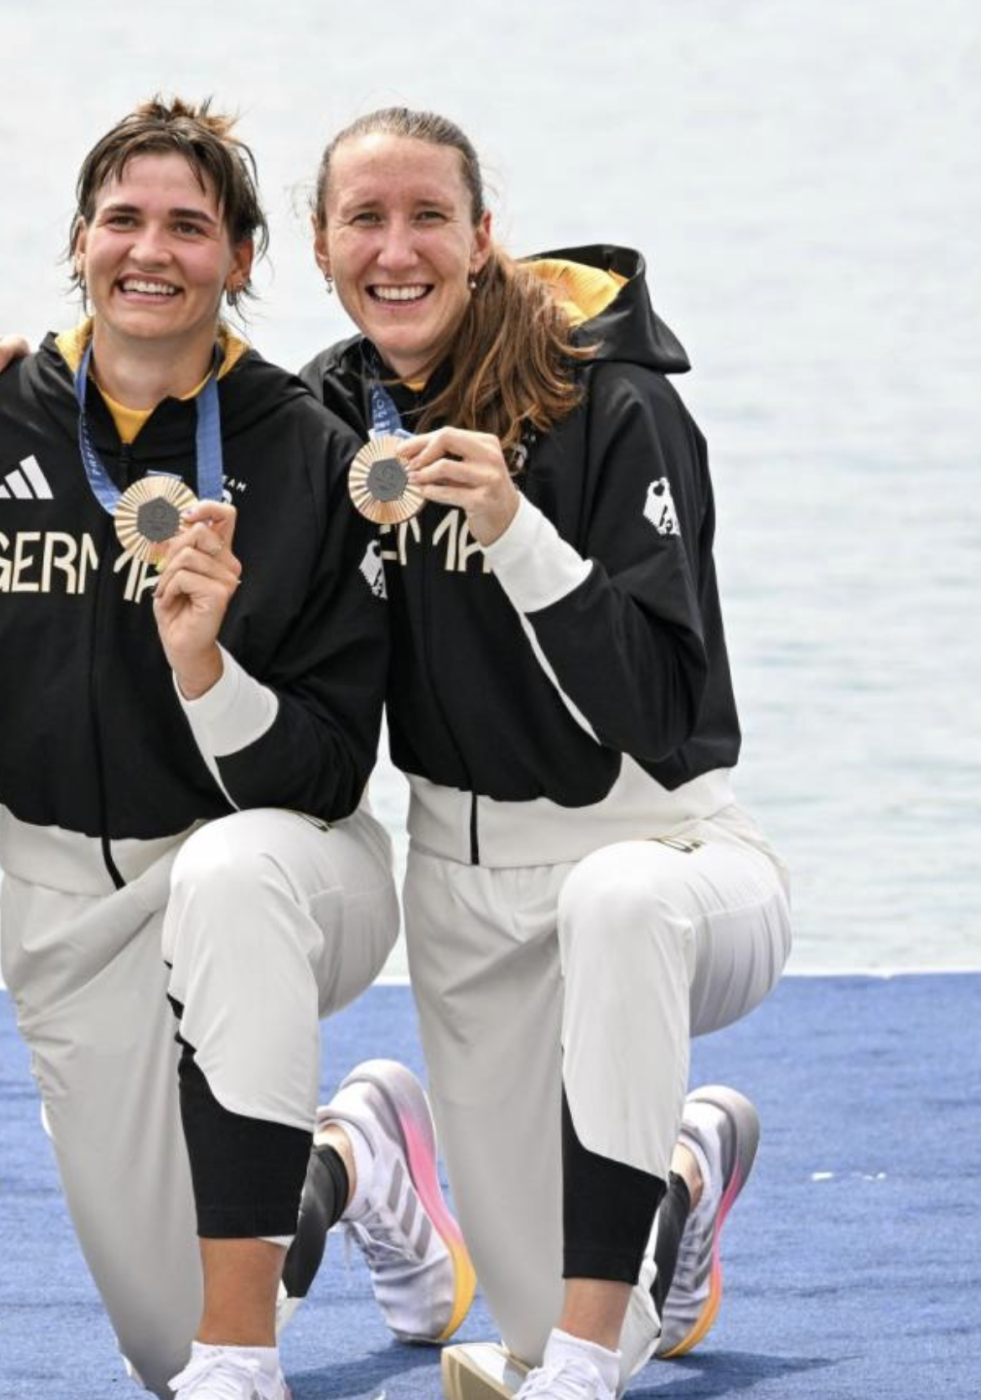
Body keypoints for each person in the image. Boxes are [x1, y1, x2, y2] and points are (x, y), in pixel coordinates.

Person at [0, 97, 469, 1400]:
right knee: (156, 1324)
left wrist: (204, 670)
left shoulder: (304, 454)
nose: (150, 250)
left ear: (237, 256)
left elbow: (335, 770)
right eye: (123, 219)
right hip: (65, 889)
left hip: (283, 869)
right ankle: (354, 1161)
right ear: (77, 240)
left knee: (231, 882)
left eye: (188, 224)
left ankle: (246, 1362)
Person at [299, 108, 792, 1400]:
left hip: (673, 857)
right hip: (465, 898)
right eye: (365, 219)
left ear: (480, 241)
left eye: (427, 219)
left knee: (615, 902)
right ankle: (673, 1179)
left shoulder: (613, 403)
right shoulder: (324, 414)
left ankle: (584, 1359)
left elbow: (660, 711)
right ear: (320, 246)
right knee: (533, 1310)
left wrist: (515, 526)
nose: (395, 250)